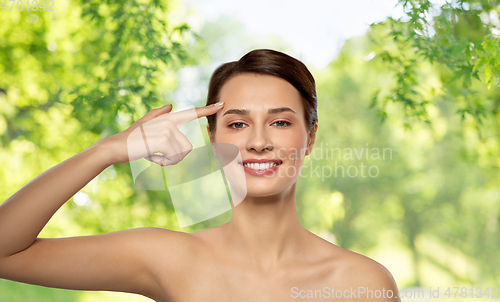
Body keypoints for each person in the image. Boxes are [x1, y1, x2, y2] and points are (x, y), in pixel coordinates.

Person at [0, 49, 401, 301]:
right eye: (238, 124)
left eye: (279, 123)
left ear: (310, 137)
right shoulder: (170, 260)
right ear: (212, 139)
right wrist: (106, 151)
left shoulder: (361, 282)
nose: (258, 142)